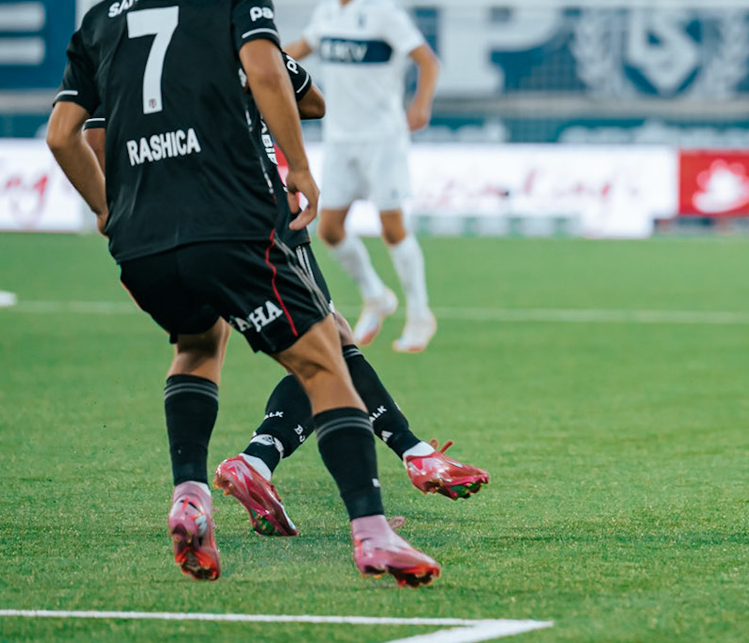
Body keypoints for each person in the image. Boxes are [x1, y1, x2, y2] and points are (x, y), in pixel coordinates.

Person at [44, 0, 440, 586]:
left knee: (196, 346)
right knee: (325, 361)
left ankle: (190, 495)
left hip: (143, 237)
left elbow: (63, 134)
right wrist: (300, 167)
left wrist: (107, 210)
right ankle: (373, 533)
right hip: (230, 220)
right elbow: (272, 76)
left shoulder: (101, 16)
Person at [81, 52, 491, 538]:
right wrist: (268, 78)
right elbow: (313, 102)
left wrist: (115, 213)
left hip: (171, 223)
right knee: (324, 347)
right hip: (258, 207)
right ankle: (394, 476)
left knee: (216, 346)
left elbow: (86, 135)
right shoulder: (235, 32)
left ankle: (240, 471)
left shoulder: (122, 40)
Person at [285, 0, 441, 352]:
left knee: (392, 227)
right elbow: (296, 51)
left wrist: (421, 104)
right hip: (339, 139)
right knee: (329, 229)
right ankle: (376, 294)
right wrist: (254, 58)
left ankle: (420, 314)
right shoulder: (326, 13)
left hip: (382, 139)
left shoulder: (383, 13)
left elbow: (428, 60)